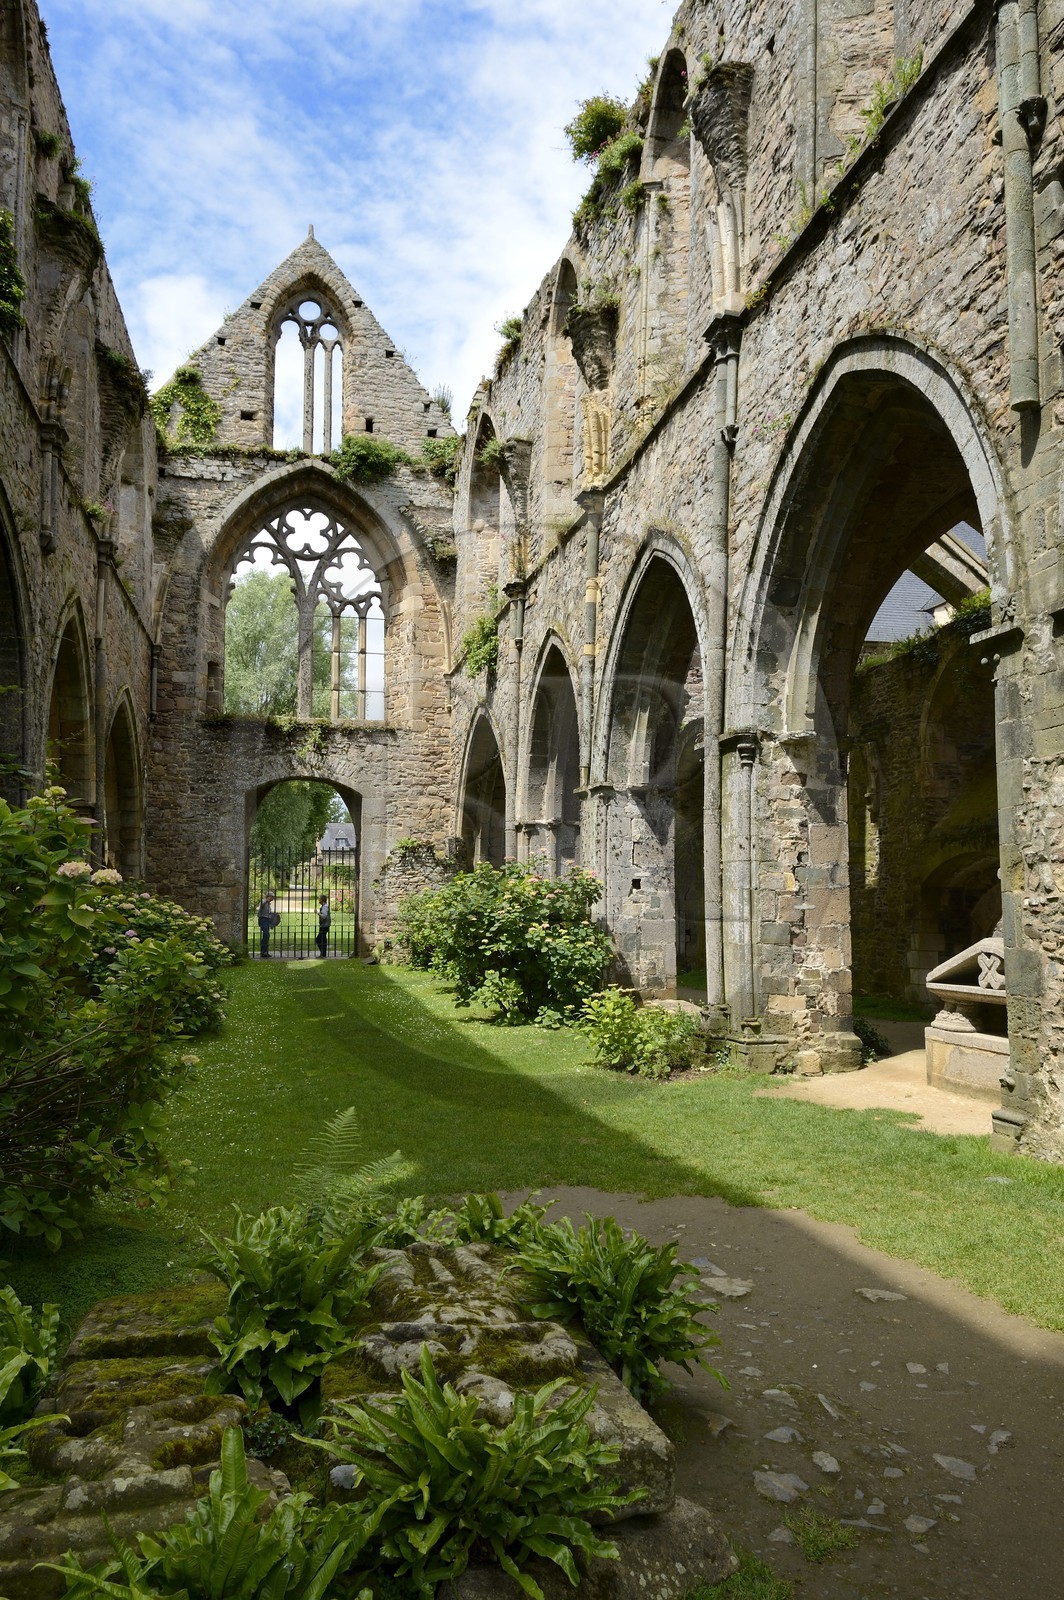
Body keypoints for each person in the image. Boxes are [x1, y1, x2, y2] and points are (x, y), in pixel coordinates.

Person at [257, 892, 277, 958]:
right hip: (263, 919)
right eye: (272, 897)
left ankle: (264, 951)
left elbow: (267, 912)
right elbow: (261, 906)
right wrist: (266, 901)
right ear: (268, 897)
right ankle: (263, 952)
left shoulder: (268, 903)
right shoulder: (264, 901)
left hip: (266, 920)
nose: (273, 898)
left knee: (266, 935)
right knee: (266, 935)